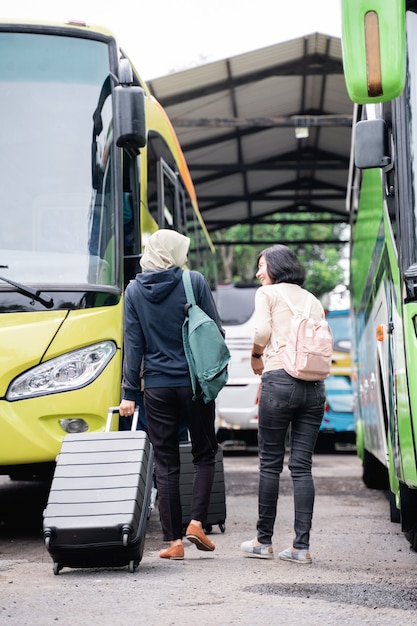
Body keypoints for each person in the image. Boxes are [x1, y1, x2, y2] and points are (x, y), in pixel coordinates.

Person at [119, 229, 222, 560]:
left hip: (157, 387)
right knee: (204, 452)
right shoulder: (193, 282)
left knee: (165, 461)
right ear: (174, 252)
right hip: (194, 383)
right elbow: (215, 330)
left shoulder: (134, 290)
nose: (187, 257)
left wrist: (129, 394)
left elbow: (133, 344)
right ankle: (196, 523)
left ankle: (174, 542)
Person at [241, 244, 326, 564]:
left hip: (279, 382)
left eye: (261, 265)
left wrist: (255, 356)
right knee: (302, 468)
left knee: (270, 464)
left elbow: (262, 330)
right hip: (314, 387)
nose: (258, 272)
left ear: (276, 266)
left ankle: (263, 541)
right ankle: (301, 547)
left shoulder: (268, 294)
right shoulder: (313, 299)